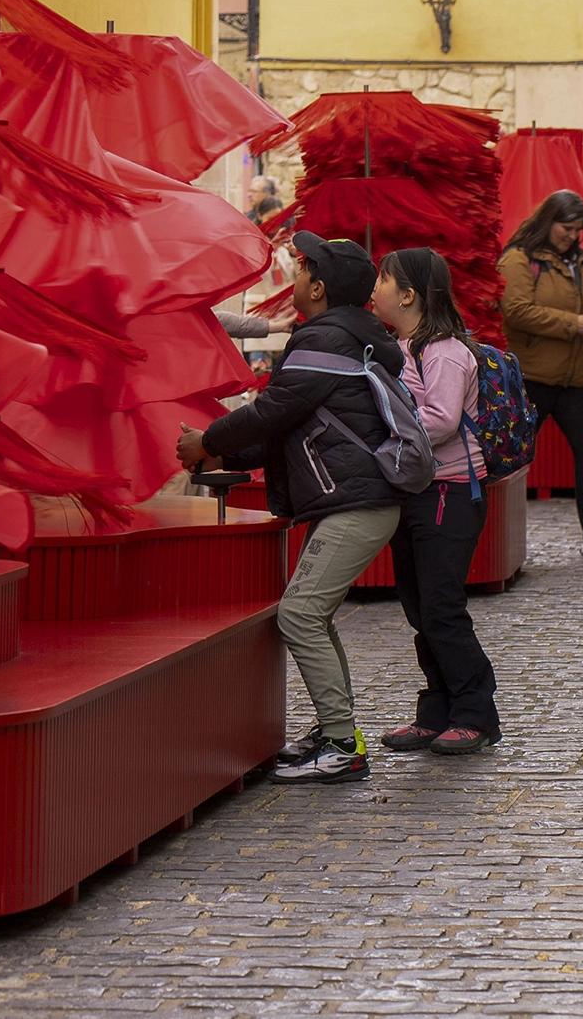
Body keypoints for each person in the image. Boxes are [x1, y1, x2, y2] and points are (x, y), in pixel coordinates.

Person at [175, 232, 407, 784]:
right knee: (313, 615)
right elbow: (286, 429)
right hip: (353, 498)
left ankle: (342, 744)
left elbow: (269, 412)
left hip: (358, 501)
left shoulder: (324, 340)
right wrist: (219, 455)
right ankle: (336, 732)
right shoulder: (347, 335)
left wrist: (208, 441)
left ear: (320, 288)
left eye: (302, 270)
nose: (294, 278)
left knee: (299, 614)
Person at [371, 248, 501, 756]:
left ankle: (476, 713)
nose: (375, 287)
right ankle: (437, 711)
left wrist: (383, 439)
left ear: (409, 295)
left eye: (383, 279)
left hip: (448, 491)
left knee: (442, 608)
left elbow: (443, 421)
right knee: (420, 607)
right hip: (418, 491)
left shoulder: (443, 350)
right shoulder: (402, 346)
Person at [497, 191, 583, 558]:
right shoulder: (519, 260)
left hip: (578, 379)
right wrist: (573, 324)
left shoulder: (582, 262)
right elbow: (517, 311)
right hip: (533, 377)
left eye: (578, 230)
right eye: (566, 227)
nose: (573, 236)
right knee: (509, 455)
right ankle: (487, 538)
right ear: (548, 221)